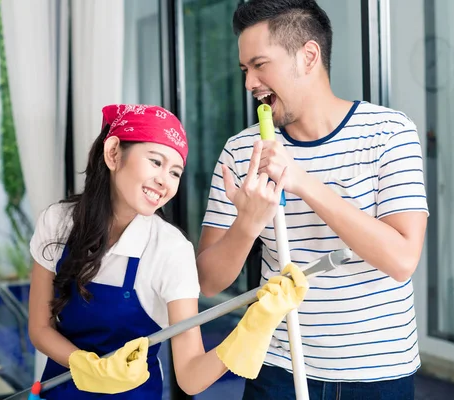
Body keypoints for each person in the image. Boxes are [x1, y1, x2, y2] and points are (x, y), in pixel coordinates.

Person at [197, 1, 429, 399]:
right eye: (244, 70)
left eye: (260, 65)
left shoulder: (390, 133)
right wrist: (249, 222)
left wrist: (303, 182)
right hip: (277, 370)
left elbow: (401, 259)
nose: (249, 83)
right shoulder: (241, 151)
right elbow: (209, 280)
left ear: (308, 56)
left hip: (379, 374)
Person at [28, 103, 308, 399]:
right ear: (113, 153)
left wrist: (251, 330)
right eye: (155, 162)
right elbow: (40, 328)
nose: (165, 181)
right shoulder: (58, 222)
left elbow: (190, 377)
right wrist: (83, 364)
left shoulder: (170, 250)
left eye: (175, 172)